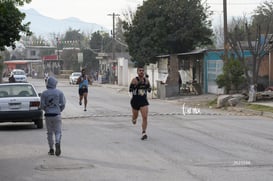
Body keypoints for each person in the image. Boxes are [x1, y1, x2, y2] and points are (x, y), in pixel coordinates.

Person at [40, 77, 66, 156]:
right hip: (57, 115)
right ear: (54, 84)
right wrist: (59, 110)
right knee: (58, 131)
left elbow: (42, 105)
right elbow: (63, 103)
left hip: (48, 115)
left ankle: (51, 149)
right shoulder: (59, 92)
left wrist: (47, 109)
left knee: (49, 133)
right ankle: (57, 142)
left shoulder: (44, 93)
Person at [129, 66, 151, 140]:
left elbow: (149, 90)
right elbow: (130, 89)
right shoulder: (134, 80)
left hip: (143, 101)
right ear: (137, 72)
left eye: (142, 70)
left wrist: (147, 86)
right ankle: (133, 119)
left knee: (145, 117)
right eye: (140, 70)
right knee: (135, 116)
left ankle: (144, 132)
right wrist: (138, 84)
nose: (141, 72)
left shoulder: (146, 80)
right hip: (135, 101)